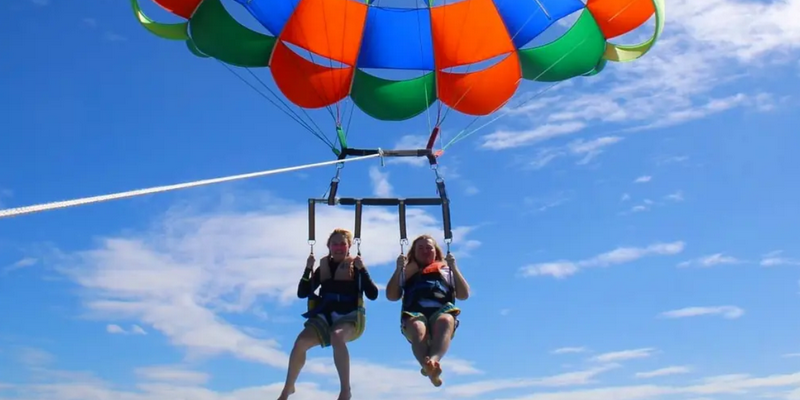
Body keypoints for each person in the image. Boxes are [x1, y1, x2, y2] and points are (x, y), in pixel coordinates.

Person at [277, 228, 379, 400]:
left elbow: (373, 294)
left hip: (349, 317)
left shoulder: (355, 266)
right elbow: (302, 293)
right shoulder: (323, 267)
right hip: (325, 315)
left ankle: (345, 391)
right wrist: (308, 268)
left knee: (337, 336)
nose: (338, 247)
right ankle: (288, 388)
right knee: (300, 342)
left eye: (342, 244)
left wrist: (363, 270)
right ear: (329, 246)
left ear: (349, 247)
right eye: (335, 244)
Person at [385, 234, 471, 387]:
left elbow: (464, 295)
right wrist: (399, 270)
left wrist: (454, 268)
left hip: (441, 310)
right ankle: (426, 365)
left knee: (445, 320)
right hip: (414, 313)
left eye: (429, 248)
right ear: (414, 252)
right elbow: (392, 296)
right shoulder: (407, 272)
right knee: (418, 326)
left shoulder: (445, 270)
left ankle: (433, 361)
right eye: (420, 248)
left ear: (435, 252)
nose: (425, 251)